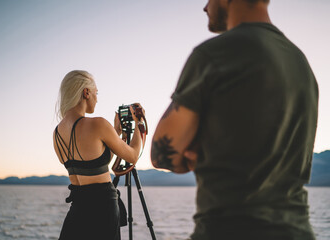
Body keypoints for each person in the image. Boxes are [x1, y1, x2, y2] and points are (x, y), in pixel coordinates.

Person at [151, 0, 318, 239]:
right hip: (298, 231)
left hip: (230, 228)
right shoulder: (301, 62)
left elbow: (161, 154)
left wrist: (199, 149)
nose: (205, 7)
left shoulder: (214, 54)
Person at [53, 70, 143, 240]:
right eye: (96, 93)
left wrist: (115, 132)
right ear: (86, 92)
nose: (97, 98)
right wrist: (139, 123)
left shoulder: (57, 133)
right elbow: (132, 156)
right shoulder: (98, 124)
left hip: (78, 208)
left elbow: (95, 165)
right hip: (104, 208)